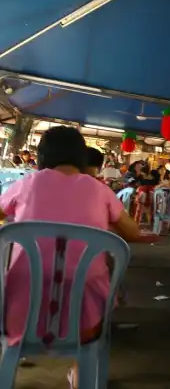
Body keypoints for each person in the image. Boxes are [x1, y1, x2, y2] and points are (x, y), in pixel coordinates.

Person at [0, 126, 147, 389]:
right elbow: (133, 233)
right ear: (81, 155)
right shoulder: (100, 190)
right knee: (90, 292)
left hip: (16, 312)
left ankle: (11, 360)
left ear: (42, 154)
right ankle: (81, 374)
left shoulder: (26, 183)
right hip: (84, 322)